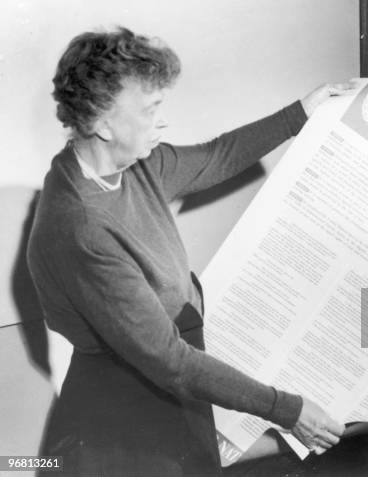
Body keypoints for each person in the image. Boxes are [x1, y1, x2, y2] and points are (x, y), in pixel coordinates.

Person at [27, 26, 349, 476]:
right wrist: (288, 410)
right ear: (101, 122)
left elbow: (216, 156)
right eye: (151, 109)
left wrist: (301, 113)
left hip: (168, 371)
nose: (163, 121)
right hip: (125, 400)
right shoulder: (80, 225)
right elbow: (172, 363)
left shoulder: (138, 164)